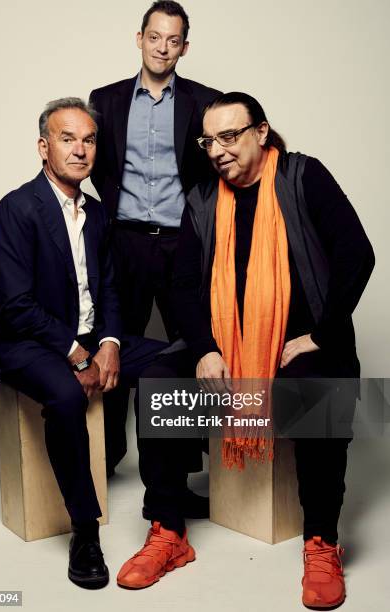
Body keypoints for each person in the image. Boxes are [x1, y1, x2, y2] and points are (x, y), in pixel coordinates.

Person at [116, 92, 375, 610]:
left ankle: (321, 542)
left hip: (302, 343)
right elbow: (185, 284)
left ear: (261, 132)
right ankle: (169, 532)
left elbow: (357, 254)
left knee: (320, 387)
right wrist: (207, 350)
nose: (216, 150)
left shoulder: (303, 177)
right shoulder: (204, 199)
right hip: (227, 346)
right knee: (160, 383)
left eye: (229, 136)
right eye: (208, 140)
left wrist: (319, 334)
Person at [0, 98, 165, 590]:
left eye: (88, 140)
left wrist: (108, 342)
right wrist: (79, 354)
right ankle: (85, 530)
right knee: (66, 396)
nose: (81, 149)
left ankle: (167, 503)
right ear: (44, 148)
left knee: (174, 360)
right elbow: (16, 305)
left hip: (87, 337)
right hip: (26, 343)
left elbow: (108, 287)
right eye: (68, 139)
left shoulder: (98, 214)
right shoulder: (16, 210)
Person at [88, 0, 220, 487]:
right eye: (155, 36)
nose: (163, 47)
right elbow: (97, 164)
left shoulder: (204, 101)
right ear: (139, 38)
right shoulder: (105, 99)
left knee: (187, 348)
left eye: (173, 39)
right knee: (114, 341)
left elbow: (214, 170)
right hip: (123, 242)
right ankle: (108, 455)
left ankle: (177, 473)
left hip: (182, 243)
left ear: (185, 46)